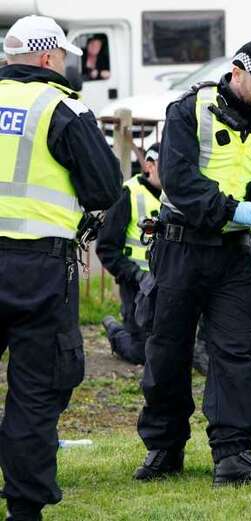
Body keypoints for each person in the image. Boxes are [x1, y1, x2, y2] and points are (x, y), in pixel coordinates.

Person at [134, 41, 251, 487]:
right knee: (168, 350)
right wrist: (231, 210)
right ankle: (164, 448)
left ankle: (233, 454)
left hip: (231, 254)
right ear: (237, 73)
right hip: (181, 245)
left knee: (234, 353)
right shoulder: (190, 110)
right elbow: (181, 180)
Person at [0, 15, 122, 520]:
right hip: (36, 269)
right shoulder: (62, 108)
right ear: (49, 57)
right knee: (35, 389)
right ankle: (25, 509)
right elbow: (105, 188)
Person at [97, 143, 162, 365]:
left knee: (172, 351)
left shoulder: (182, 198)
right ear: (149, 166)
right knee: (142, 354)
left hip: (170, 285)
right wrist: (135, 274)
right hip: (136, 287)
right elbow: (106, 248)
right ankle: (116, 331)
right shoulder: (129, 193)